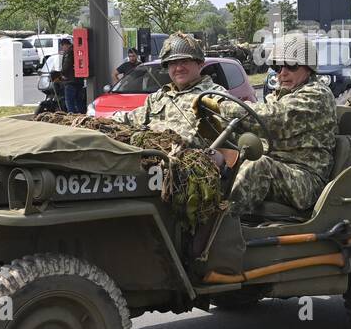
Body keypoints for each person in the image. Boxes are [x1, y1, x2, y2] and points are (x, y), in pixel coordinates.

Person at [212, 34, 337, 217]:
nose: (282, 73)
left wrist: (220, 106)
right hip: (280, 167)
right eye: (277, 67)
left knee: (259, 166)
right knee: (215, 157)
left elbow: (271, 117)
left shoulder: (316, 96)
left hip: (304, 178)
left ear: (308, 68)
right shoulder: (282, 94)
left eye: (291, 66)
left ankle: (219, 229)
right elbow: (252, 122)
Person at [110, 33, 225, 146]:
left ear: (200, 64)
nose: (179, 68)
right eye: (173, 63)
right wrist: (99, 121)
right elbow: (131, 118)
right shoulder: (159, 97)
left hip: (189, 160)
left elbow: (234, 124)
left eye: (185, 61)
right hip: (149, 159)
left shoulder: (214, 95)